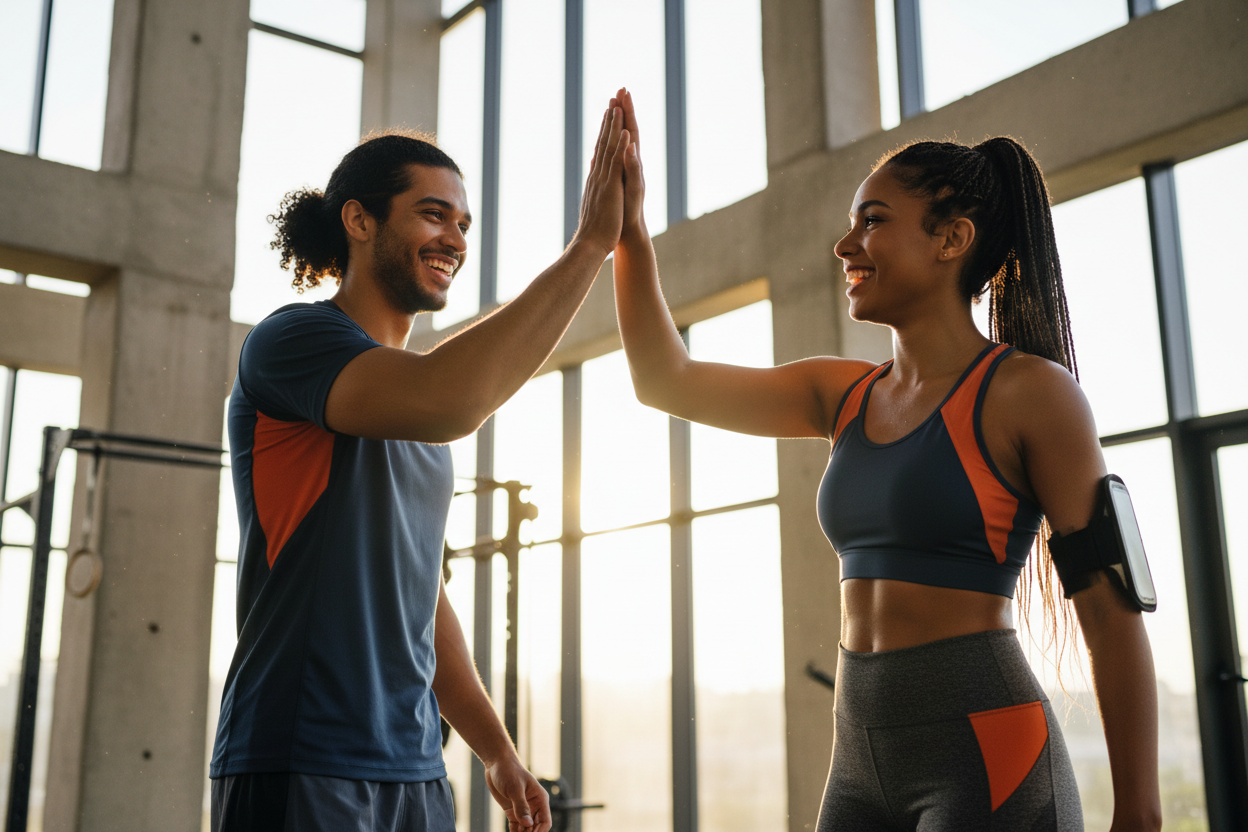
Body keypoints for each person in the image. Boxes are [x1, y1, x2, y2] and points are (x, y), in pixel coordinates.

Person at [609, 89, 1161, 831]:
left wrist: (1141, 814)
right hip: (859, 750)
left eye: (872, 222)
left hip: (985, 746)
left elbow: (1110, 610)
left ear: (951, 238)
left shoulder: (1032, 394)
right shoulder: (841, 395)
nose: (845, 246)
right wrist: (629, 235)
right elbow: (663, 381)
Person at [210, 100, 632, 832]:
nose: (454, 238)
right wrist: (591, 244)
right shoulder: (292, 341)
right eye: (433, 214)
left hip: (414, 767)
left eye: (464, 224)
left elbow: (421, 597)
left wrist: (496, 751)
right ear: (359, 220)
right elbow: (452, 398)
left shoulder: (415, 412)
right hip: (300, 751)